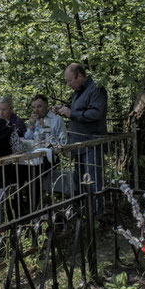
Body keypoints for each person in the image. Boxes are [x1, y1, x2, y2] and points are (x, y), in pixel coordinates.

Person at [54, 63, 107, 213]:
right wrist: (63, 111)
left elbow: (95, 114)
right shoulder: (78, 91)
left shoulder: (96, 89)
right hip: (78, 145)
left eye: (70, 80)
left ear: (80, 76)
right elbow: (78, 112)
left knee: (93, 181)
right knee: (81, 181)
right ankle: (84, 214)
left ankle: (96, 216)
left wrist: (71, 113)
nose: (68, 84)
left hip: (91, 143)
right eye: (66, 81)